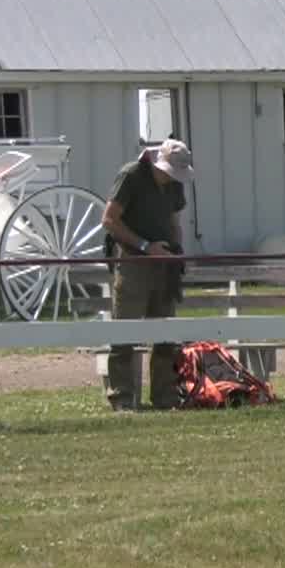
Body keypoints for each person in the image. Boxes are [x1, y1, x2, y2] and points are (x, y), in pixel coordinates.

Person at [99, 138, 194, 410]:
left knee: (166, 335)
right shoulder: (131, 175)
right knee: (125, 335)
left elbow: (174, 222)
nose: (173, 178)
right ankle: (122, 399)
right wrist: (144, 246)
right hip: (132, 263)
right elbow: (109, 220)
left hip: (164, 264)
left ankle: (165, 397)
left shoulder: (174, 185)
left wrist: (176, 251)